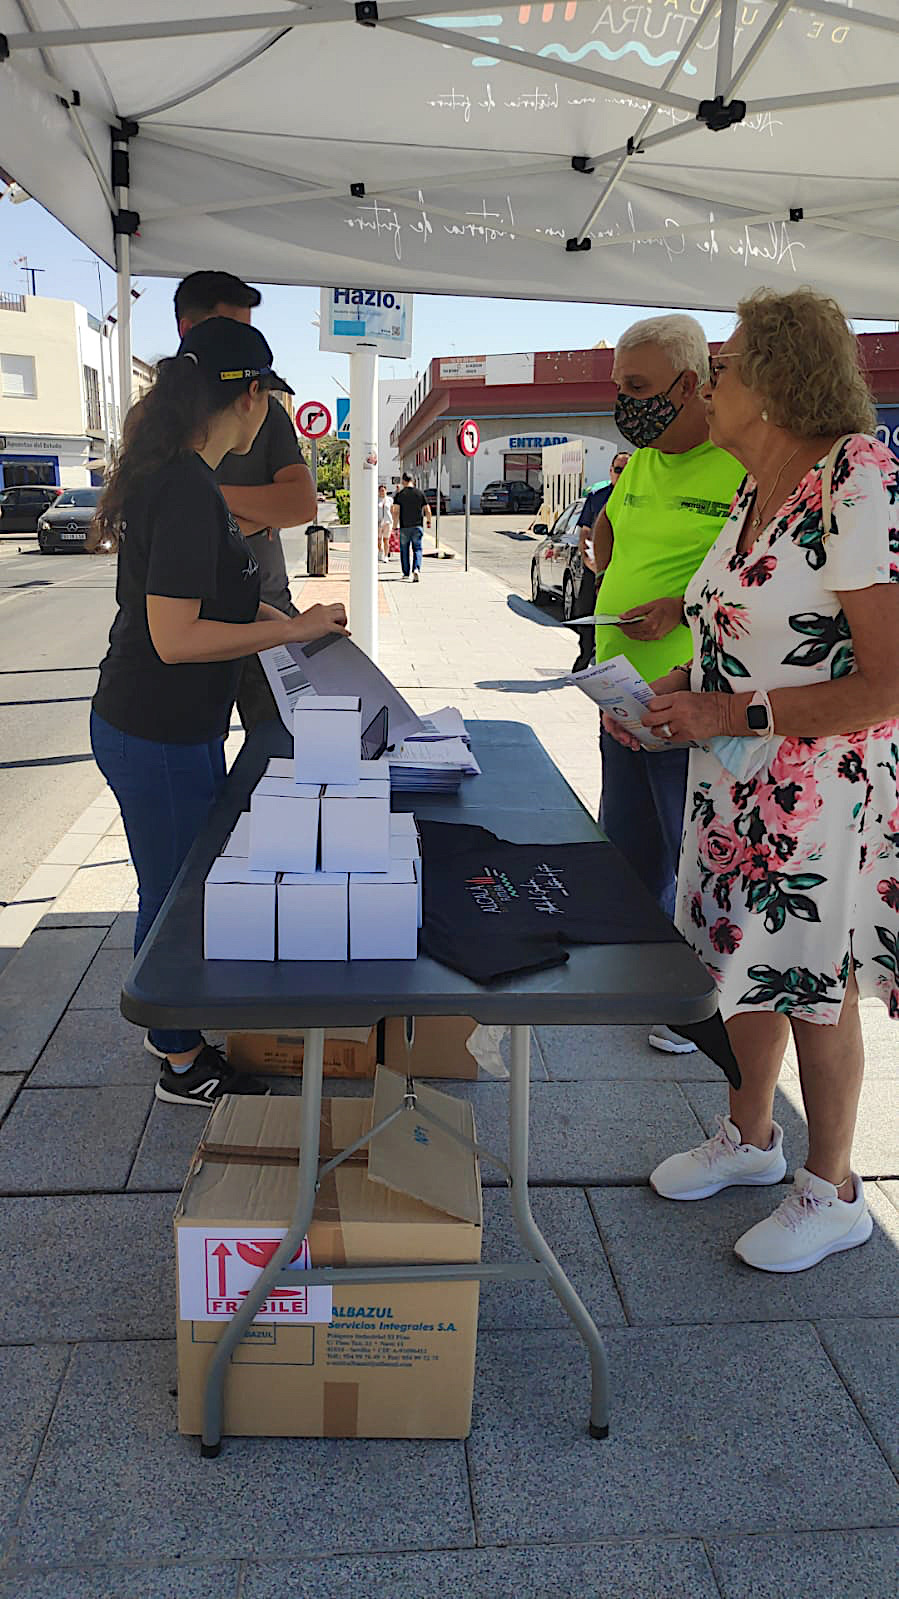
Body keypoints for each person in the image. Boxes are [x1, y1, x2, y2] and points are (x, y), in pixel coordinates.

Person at [606, 287, 899, 1272]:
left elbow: (884, 678)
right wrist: (683, 687)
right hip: (736, 783)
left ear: (773, 382)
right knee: (741, 964)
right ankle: (750, 1142)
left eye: (725, 365)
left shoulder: (854, 478)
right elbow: (739, 627)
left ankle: (833, 1190)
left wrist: (729, 712)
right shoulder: (754, 484)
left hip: (817, 790)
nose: (712, 380)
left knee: (814, 987)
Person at [90, 319, 348, 1106]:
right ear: (247, 398)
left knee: (173, 880)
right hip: (152, 726)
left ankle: (167, 1027)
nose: (267, 413)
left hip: (170, 724)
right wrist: (292, 627)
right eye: (267, 397)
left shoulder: (183, 479)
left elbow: (205, 610)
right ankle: (178, 1055)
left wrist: (290, 626)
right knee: (174, 890)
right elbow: (175, 637)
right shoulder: (183, 487)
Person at [584, 314, 745, 1054]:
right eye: (619, 386)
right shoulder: (642, 459)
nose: (624, 402)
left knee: (694, 855)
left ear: (691, 383)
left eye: (638, 387)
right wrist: (601, 545)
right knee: (629, 847)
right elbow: (612, 530)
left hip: (688, 704)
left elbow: (753, 581)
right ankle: (636, 970)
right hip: (617, 694)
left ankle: (695, 997)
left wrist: (679, 607)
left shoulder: (740, 462)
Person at [174, 271, 317, 730]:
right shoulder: (155, 425)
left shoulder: (264, 411)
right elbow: (175, 637)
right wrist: (236, 515)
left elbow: (300, 505)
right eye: (231, 331)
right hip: (194, 628)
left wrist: (210, 505)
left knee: (286, 756)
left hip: (263, 611)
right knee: (200, 782)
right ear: (191, 333)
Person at [571, 450, 631, 672]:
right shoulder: (597, 497)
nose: (622, 474)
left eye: (627, 470)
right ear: (610, 471)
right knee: (586, 614)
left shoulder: (641, 497)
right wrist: (589, 560)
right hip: (595, 568)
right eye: (618, 470)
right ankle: (585, 654)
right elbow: (585, 532)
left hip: (624, 571)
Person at [392, 472, 432, 582]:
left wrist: (395, 527)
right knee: (418, 549)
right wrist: (428, 521)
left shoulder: (400, 495)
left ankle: (406, 573)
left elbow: (395, 511)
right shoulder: (420, 493)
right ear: (412, 480)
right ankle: (416, 569)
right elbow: (427, 510)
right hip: (418, 526)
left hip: (405, 527)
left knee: (404, 550)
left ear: (403, 481)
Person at [377, 483, 393, 562]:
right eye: (380, 491)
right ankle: (380, 552)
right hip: (379, 522)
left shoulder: (390, 499)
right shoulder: (376, 500)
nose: (382, 492)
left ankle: (386, 556)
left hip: (387, 522)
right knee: (379, 539)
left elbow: (392, 510)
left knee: (386, 539)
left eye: (383, 490)